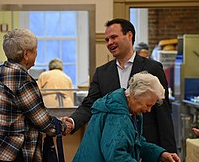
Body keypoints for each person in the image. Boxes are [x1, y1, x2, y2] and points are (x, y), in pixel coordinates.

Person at [62, 18, 177, 153]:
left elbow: (163, 113)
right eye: (107, 40)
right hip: (113, 147)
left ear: (129, 36)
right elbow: (90, 105)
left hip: (148, 147)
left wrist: (169, 151)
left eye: (113, 37)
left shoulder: (153, 68)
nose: (110, 43)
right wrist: (72, 121)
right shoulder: (101, 73)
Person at [0, 28, 66, 162]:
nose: (36, 54)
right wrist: (62, 126)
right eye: (35, 50)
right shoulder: (23, 80)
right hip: (15, 153)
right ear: (26, 54)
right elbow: (42, 121)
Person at [73, 72, 180, 162]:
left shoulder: (130, 112)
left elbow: (136, 142)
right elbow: (116, 156)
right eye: (147, 105)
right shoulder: (117, 116)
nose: (148, 110)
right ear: (135, 95)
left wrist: (161, 154)